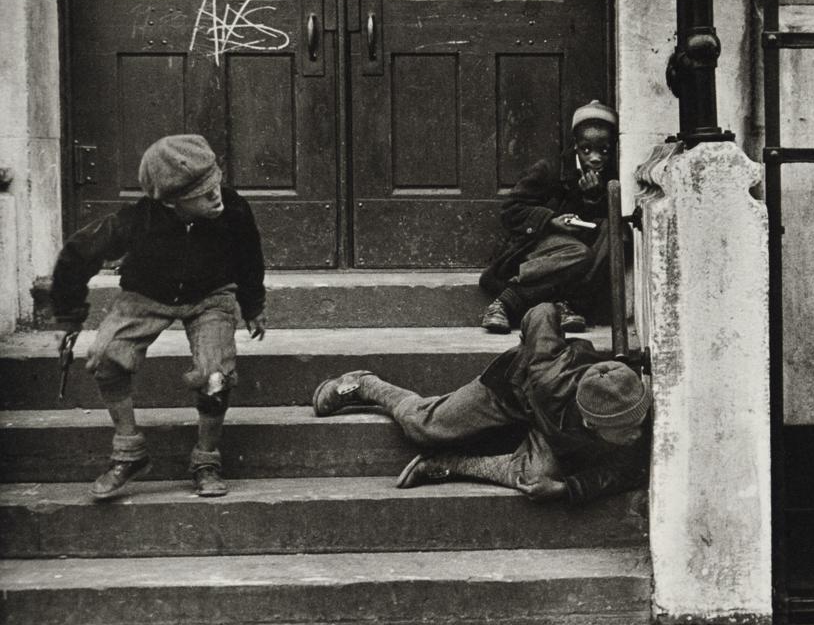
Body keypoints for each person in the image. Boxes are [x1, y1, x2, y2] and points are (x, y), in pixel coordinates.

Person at [50, 134, 267, 500]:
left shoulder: (234, 209)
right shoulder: (136, 221)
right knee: (105, 355)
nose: (216, 195)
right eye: (203, 193)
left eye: (215, 183)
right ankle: (129, 452)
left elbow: (250, 257)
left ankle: (206, 459)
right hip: (147, 295)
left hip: (210, 296)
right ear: (171, 202)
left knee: (215, 374)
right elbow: (77, 254)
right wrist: (70, 314)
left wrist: (253, 305)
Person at [312, 302, 650, 504]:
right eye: (626, 429)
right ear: (593, 423)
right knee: (422, 426)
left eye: (638, 420)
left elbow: (629, 471)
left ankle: (448, 465)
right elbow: (541, 312)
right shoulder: (549, 376)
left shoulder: (633, 411)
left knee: (536, 482)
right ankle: (364, 384)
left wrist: (568, 490)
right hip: (512, 392)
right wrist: (534, 351)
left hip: (550, 429)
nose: (638, 433)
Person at [478, 100, 622, 334]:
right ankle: (505, 301)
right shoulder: (551, 169)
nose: (595, 158)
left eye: (603, 150)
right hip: (539, 246)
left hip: (575, 251)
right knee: (578, 253)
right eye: (587, 149)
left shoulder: (612, 174)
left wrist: (593, 198)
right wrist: (550, 220)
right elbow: (511, 209)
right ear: (575, 146)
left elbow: (597, 226)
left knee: (614, 229)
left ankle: (568, 305)